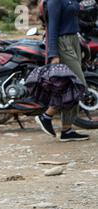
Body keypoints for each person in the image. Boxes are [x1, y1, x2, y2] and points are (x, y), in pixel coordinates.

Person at [36, 0, 90, 142]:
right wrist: (53, 54)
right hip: (62, 42)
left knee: (69, 85)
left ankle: (67, 130)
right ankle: (46, 115)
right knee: (78, 85)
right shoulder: (55, 1)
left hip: (74, 40)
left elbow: (73, 18)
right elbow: (52, 27)